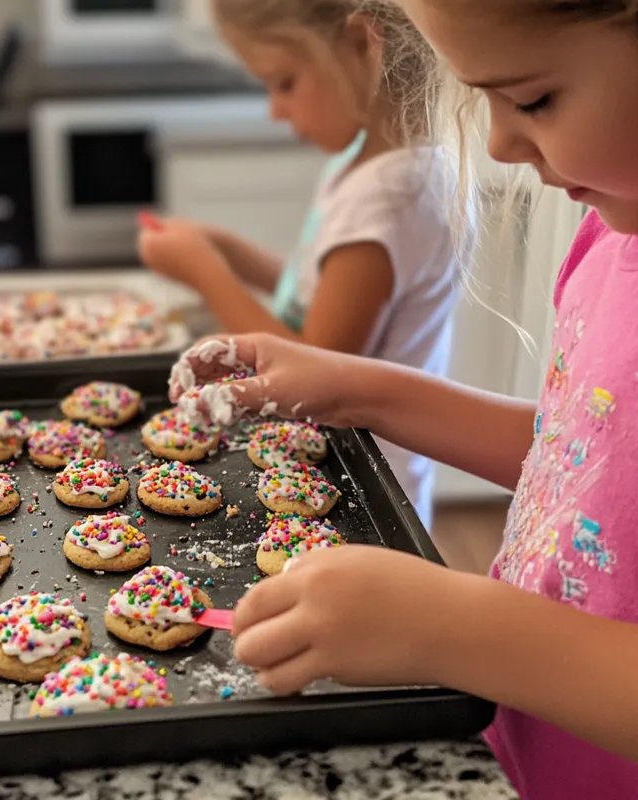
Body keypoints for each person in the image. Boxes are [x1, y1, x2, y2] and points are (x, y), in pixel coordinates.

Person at [172, 1, 638, 798]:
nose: (499, 143)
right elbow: (594, 466)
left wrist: (457, 628)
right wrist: (353, 386)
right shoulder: (620, 231)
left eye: (534, 99)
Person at [138, 0, 473, 529]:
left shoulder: (388, 201)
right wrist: (230, 251)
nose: (274, 109)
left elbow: (312, 370)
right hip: (331, 463)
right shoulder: (370, 168)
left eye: (284, 82)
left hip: (361, 490)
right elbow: (316, 296)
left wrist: (206, 273)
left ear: (362, 44)